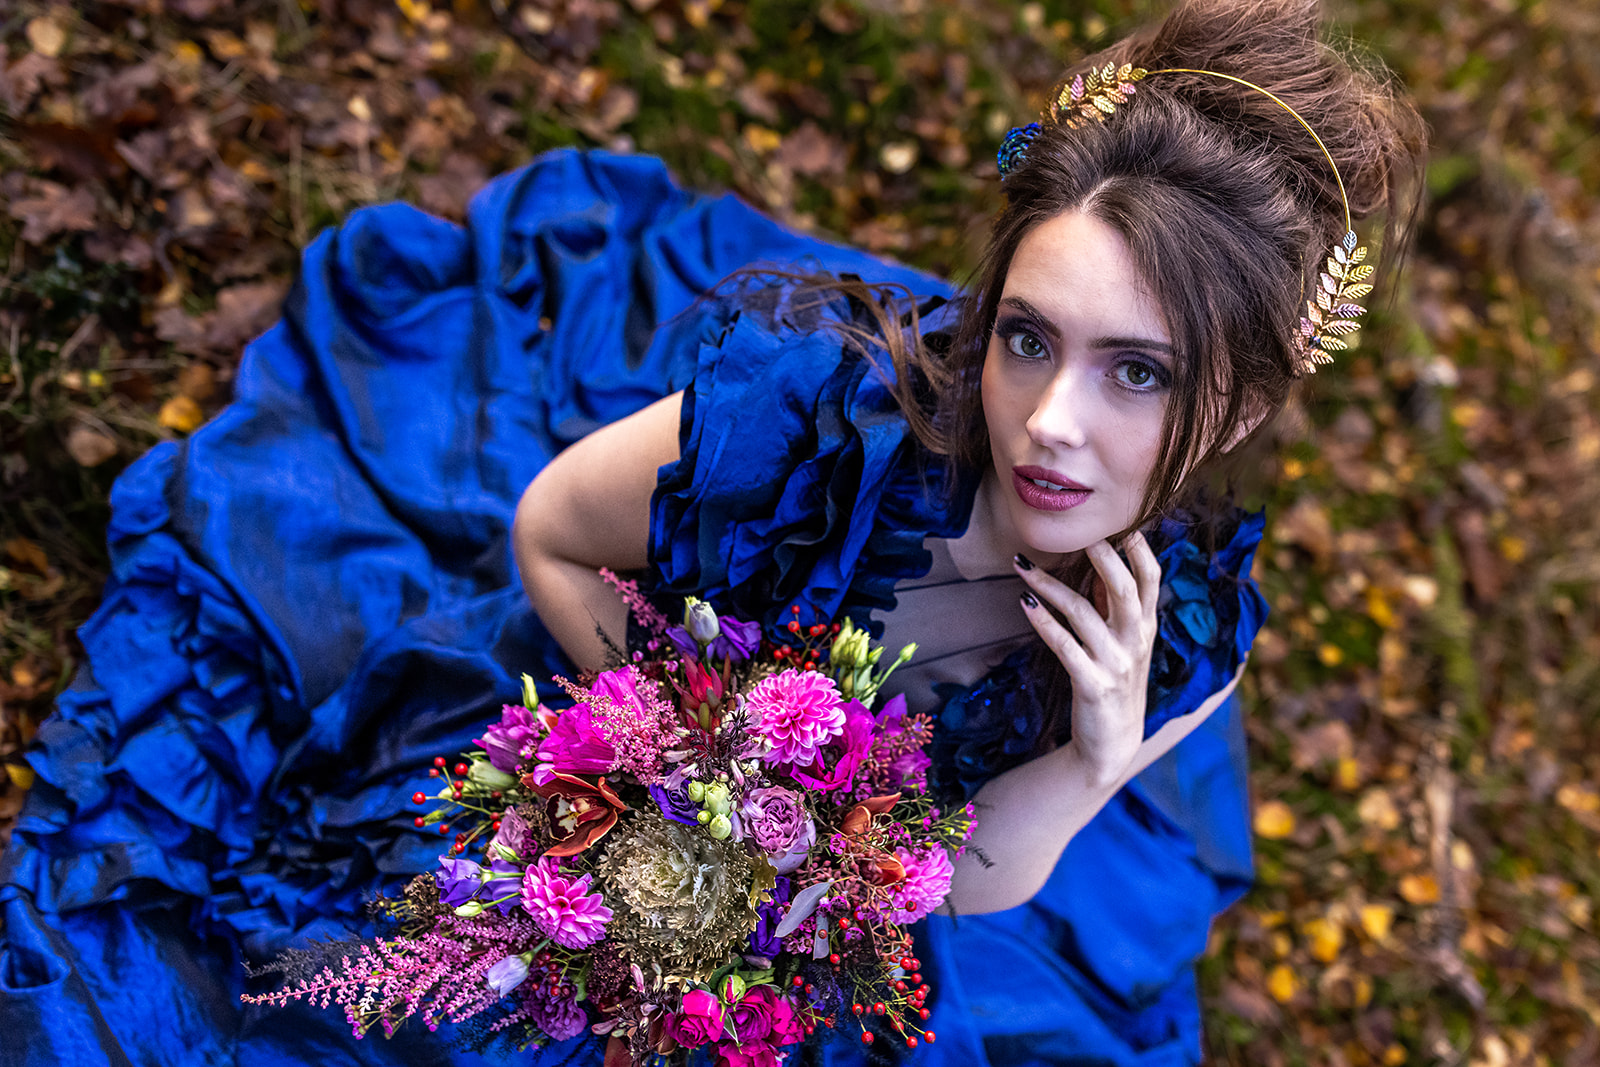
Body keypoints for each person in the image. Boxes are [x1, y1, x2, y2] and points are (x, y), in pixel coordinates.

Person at [0, 0, 1423, 1065]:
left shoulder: (1183, 633)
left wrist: (1096, 754)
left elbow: (970, 879)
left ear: (1236, 405)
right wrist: (683, 743)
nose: (1050, 423)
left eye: (1140, 371)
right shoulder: (807, 421)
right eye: (1029, 338)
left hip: (790, 950)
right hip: (596, 773)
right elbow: (552, 533)